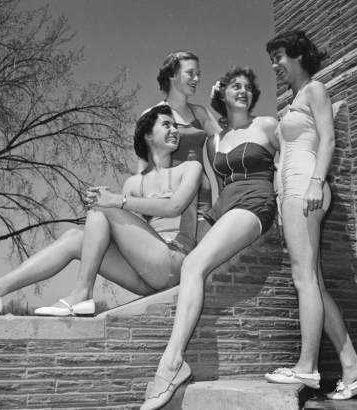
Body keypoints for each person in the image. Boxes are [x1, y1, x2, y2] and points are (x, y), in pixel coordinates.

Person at [0, 105, 202, 317]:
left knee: (103, 205)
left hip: (173, 261)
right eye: (166, 125)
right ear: (148, 135)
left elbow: (174, 206)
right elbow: (128, 236)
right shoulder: (133, 184)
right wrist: (99, 208)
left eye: (175, 126)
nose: (174, 131)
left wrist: (115, 201)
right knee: (74, 237)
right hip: (144, 276)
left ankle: (82, 294)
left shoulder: (190, 168)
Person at [141, 67, 279, 410]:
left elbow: (288, 157)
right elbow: (187, 114)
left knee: (194, 267)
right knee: (176, 255)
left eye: (248, 86)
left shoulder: (264, 125)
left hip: (255, 202)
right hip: (223, 208)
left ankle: (172, 363)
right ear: (224, 93)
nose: (244, 90)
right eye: (236, 85)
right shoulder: (215, 140)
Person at [264, 30, 357, 400]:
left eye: (279, 56)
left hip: (307, 186)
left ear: (299, 55)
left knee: (304, 279)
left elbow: (328, 138)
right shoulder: (293, 101)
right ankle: (351, 365)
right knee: (313, 282)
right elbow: (283, 155)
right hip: (294, 192)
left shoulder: (315, 89)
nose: (275, 65)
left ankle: (307, 366)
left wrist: (317, 182)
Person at [139, 51, 221, 241]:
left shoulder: (200, 113)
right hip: (168, 196)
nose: (197, 79)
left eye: (198, 73)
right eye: (190, 73)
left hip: (202, 196)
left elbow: (225, 145)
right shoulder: (151, 115)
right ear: (172, 75)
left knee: (200, 253)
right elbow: (144, 165)